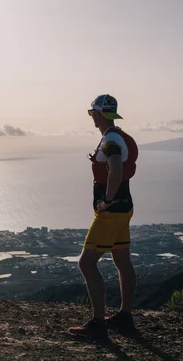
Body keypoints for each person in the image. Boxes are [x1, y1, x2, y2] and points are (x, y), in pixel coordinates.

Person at [68, 94, 139, 342]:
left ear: (98, 114)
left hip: (111, 212)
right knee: (122, 260)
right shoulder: (120, 135)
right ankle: (125, 317)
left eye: (91, 113)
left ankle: (98, 324)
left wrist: (107, 200)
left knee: (86, 264)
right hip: (125, 207)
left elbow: (116, 168)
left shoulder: (110, 139)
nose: (92, 117)